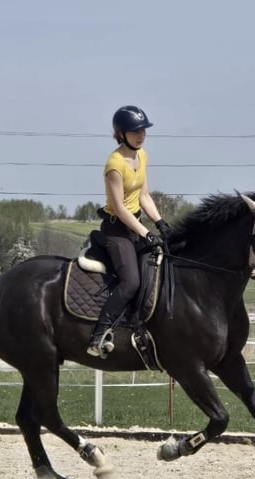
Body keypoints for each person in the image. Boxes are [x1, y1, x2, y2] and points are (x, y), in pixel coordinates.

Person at [87, 105, 173, 358]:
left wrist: (159, 221)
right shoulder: (114, 164)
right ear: (121, 133)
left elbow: (143, 195)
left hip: (135, 226)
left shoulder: (142, 156)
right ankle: (99, 334)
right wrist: (146, 233)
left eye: (143, 130)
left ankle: (140, 323)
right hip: (117, 230)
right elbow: (120, 208)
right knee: (131, 280)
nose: (141, 135)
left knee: (159, 265)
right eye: (135, 131)